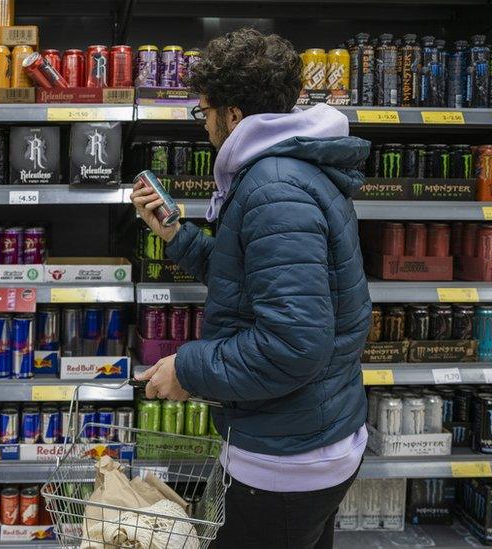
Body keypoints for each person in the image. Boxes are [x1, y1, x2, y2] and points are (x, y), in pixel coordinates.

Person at [132, 28, 372, 549]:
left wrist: (187, 368)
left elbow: (292, 344)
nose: (205, 128)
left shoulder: (274, 187)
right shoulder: (284, 172)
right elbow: (254, 280)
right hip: (305, 436)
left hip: (290, 460)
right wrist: (177, 236)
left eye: (205, 114)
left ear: (234, 115)